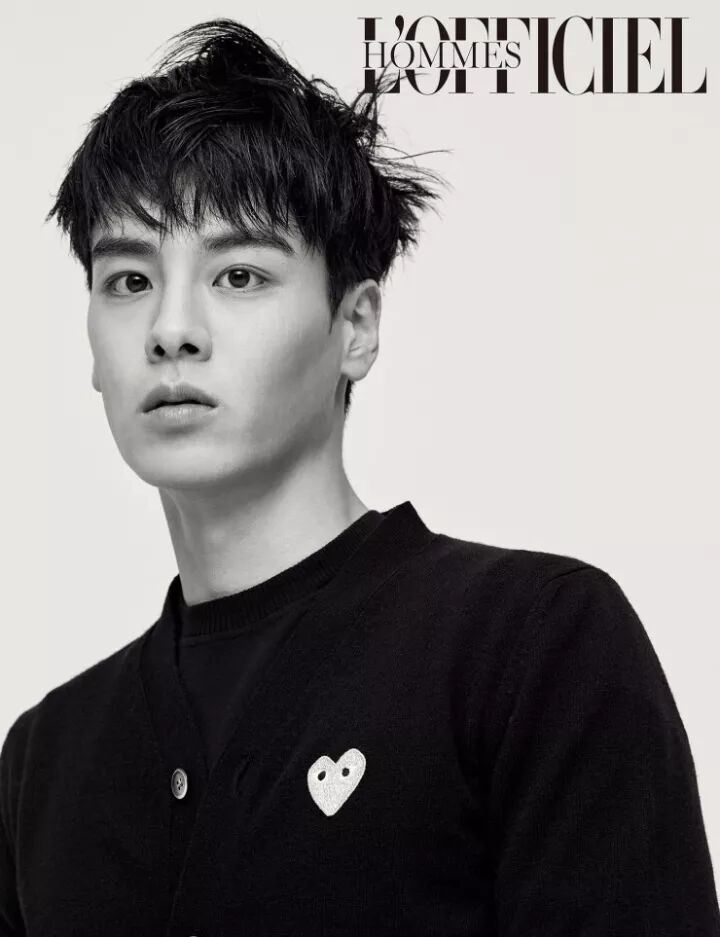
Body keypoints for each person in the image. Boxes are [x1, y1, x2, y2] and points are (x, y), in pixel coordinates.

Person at [1, 17, 718, 937]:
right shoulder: (45, 759)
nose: (171, 330)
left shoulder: (530, 646)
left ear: (358, 326)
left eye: (240, 275)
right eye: (129, 280)